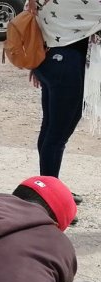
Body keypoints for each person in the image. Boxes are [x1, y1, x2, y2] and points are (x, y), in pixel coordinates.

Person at [29, 0, 101, 205]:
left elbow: (40, 23)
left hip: (49, 60)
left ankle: (49, 189)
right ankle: (48, 200)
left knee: (50, 130)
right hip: (67, 65)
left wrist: (36, 66)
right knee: (57, 136)